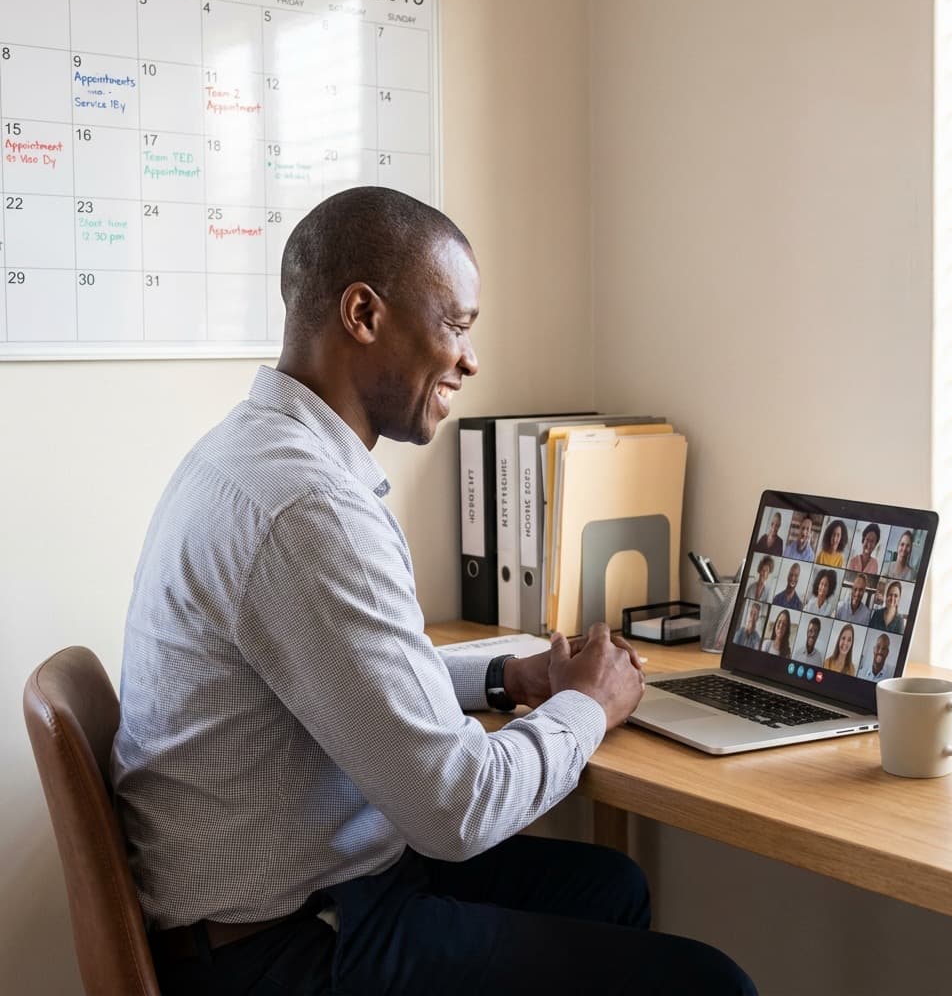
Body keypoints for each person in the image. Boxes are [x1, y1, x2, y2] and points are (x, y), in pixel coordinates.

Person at [111, 188, 756, 996]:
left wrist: (507, 678)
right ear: (362, 313)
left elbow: (349, 680)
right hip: (281, 947)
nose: (470, 359)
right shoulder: (310, 510)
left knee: (608, 889)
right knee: (710, 984)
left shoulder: (251, 455)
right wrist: (588, 705)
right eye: (455, 325)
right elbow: (455, 811)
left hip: (304, 890)